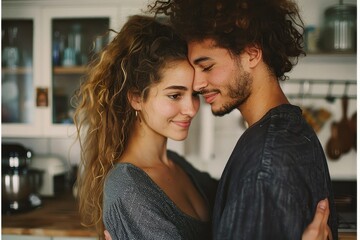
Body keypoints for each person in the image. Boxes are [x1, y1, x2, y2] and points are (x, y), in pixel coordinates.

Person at [74, 14, 333, 240]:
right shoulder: (128, 189)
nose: (191, 108)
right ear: (136, 98)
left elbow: (235, 210)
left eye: (193, 95)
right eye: (175, 95)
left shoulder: (178, 166)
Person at [149, 0, 338, 239]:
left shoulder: (265, 161)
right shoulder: (293, 131)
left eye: (207, 67)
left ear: (252, 54)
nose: (196, 84)